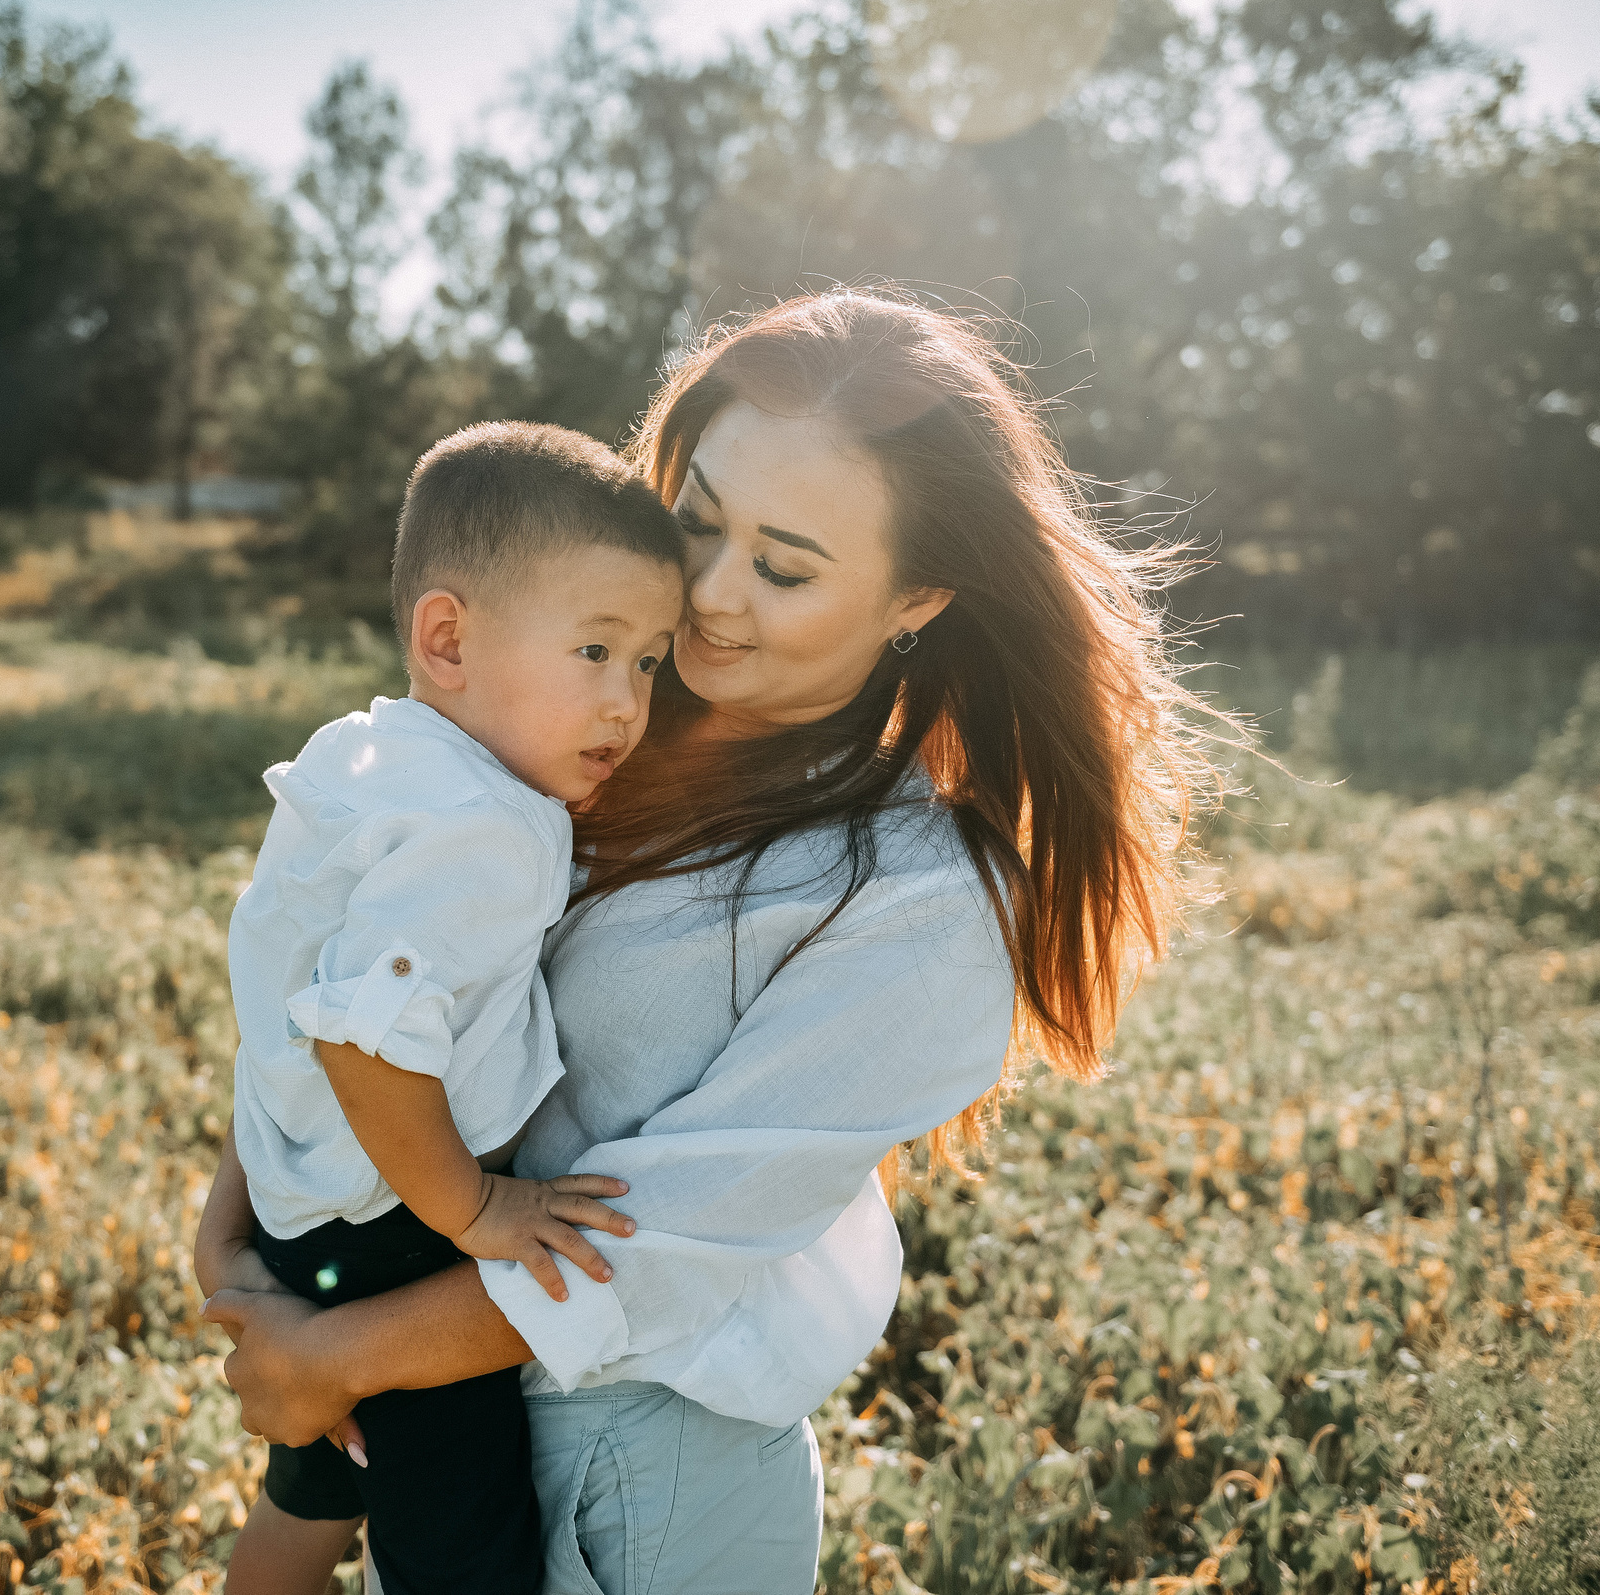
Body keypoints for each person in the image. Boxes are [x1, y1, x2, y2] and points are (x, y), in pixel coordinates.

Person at [204, 289, 1207, 1593]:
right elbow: (337, 959)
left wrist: (334, 1355)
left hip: (647, 1463)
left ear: (918, 594)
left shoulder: (919, 898)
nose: (714, 597)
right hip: (409, 1386)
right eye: (698, 523)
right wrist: (236, 1241)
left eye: (786, 566)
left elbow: (658, 1244)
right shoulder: (564, 717)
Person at [207, 422, 688, 1593]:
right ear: (447, 638)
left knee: (310, 1496)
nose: (626, 703)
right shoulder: (494, 827)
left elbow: (293, 987)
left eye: (649, 662)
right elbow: (365, 1038)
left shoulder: (368, 760)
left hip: (304, 1209)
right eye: (593, 649)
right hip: (397, 1231)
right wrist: (475, 1210)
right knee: (461, 1552)